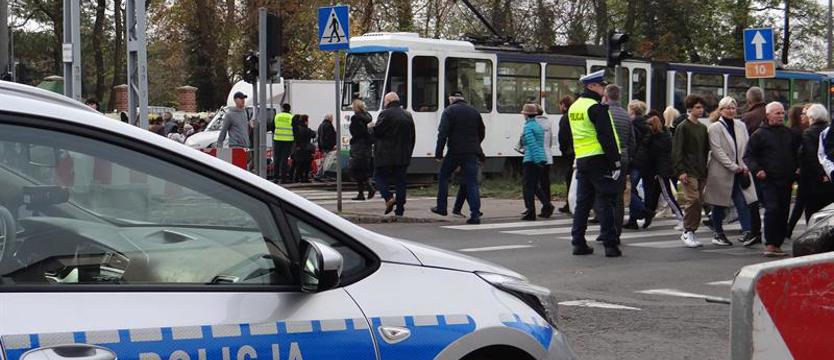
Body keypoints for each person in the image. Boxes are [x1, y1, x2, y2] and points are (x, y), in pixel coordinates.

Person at [568, 70, 623, 257]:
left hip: (582, 158)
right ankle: (610, 244)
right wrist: (615, 162)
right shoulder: (596, 108)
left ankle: (578, 242)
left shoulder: (574, 107)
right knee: (605, 202)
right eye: (601, 86)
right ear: (591, 86)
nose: (604, 90)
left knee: (583, 203)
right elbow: (606, 137)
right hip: (599, 159)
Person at [743, 102, 799, 256]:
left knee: (783, 211)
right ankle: (770, 244)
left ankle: (777, 244)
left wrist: (797, 167)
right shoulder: (759, 134)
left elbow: (796, 153)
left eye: (782, 113)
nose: (781, 116)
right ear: (768, 116)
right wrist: (757, 170)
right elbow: (748, 155)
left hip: (786, 180)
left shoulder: (789, 133)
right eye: (777, 113)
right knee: (772, 209)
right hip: (768, 180)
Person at [703, 96, 757, 247]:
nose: (731, 111)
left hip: (740, 170)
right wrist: (733, 166)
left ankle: (747, 231)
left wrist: (744, 165)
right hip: (721, 171)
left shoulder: (740, 125)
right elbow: (717, 151)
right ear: (721, 110)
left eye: (733, 108)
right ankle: (718, 233)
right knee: (719, 203)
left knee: (742, 201)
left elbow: (746, 145)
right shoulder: (715, 128)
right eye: (728, 108)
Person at [431, 90, 486, 224]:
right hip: (472, 152)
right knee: (471, 182)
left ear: (451, 99)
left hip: (455, 151)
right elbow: (482, 131)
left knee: (444, 176)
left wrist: (438, 153)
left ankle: (442, 207)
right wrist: (475, 144)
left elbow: (442, 133)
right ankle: (475, 215)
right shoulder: (474, 112)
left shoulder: (449, 111)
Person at [370, 92, 416, 217]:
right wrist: (409, 153)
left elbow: (378, 132)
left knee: (378, 177)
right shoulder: (407, 115)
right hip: (403, 155)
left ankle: (388, 197)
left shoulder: (386, 114)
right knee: (400, 182)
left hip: (385, 155)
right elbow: (412, 136)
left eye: (385, 101)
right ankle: (400, 210)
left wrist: (371, 127)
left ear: (389, 101)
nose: (384, 104)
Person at [673, 95, 709, 247]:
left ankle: (692, 231)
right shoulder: (683, 127)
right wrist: (681, 170)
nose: (700, 110)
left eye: (701, 107)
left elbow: (705, 149)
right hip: (688, 170)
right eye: (697, 107)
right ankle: (687, 230)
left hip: (701, 169)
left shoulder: (702, 127)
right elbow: (677, 150)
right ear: (690, 109)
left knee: (699, 201)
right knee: (692, 199)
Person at [642, 110, 684, 228]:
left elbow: (652, 155)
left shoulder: (654, 138)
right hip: (665, 168)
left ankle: (681, 219)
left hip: (661, 170)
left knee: (668, 195)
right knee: (655, 195)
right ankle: (648, 218)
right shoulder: (665, 135)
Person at [606, 85, 635, 238]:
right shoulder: (626, 115)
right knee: (618, 197)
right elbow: (632, 140)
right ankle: (617, 231)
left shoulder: (604, 112)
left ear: (606, 96)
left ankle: (606, 230)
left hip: (606, 159)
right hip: (623, 158)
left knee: (604, 196)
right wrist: (628, 157)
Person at [800, 104, 834, 223]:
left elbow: (812, 157)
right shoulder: (829, 130)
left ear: (812, 118)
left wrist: (821, 174)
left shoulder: (808, 133)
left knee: (812, 210)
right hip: (830, 176)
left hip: (814, 179)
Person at [624, 100, 650, 229]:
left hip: (635, 161)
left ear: (632, 111)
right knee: (632, 189)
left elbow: (632, 143)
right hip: (645, 161)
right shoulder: (646, 123)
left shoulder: (633, 124)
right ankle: (633, 220)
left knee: (629, 189)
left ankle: (643, 210)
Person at [786, 104, 811, 237]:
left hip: (797, 170)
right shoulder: (802, 132)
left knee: (801, 201)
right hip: (802, 170)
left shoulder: (792, 130)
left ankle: (789, 229)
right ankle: (790, 229)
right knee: (803, 201)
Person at [520, 103, 547, 221]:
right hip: (540, 157)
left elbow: (532, 144)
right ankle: (547, 205)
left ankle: (531, 212)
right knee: (535, 186)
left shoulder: (528, 127)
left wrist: (536, 160)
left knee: (528, 187)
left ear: (526, 115)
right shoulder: (538, 126)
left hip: (531, 159)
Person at [348, 99, 376, 200]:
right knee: (361, 169)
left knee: (355, 169)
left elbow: (356, 132)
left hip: (358, 146)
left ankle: (369, 187)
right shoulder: (368, 116)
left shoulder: (355, 118)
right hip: (367, 147)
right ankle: (361, 193)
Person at [534, 104, 555, 218]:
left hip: (537, 156)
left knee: (534, 183)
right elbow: (550, 140)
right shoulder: (548, 123)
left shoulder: (533, 124)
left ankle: (546, 206)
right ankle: (546, 207)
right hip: (547, 156)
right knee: (545, 183)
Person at [557, 96, 575, 214]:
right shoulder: (573, 116)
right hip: (576, 151)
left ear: (564, 105)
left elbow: (563, 136)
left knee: (570, 179)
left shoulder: (565, 118)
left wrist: (564, 150)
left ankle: (570, 204)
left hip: (569, 152)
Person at [273, 103, 294, 183]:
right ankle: (283, 178)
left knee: (277, 159)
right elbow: (295, 129)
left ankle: (275, 177)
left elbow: (272, 126)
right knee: (284, 160)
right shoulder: (291, 117)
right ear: (289, 109)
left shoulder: (277, 116)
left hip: (277, 140)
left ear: (282, 108)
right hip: (288, 141)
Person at [292, 115, 316, 183]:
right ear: (305, 121)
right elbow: (313, 134)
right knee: (306, 165)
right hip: (306, 149)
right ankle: (304, 178)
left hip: (297, 149)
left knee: (298, 164)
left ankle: (296, 178)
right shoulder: (307, 129)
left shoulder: (297, 129)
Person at [315, 113, 338, 181]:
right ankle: (319, 175)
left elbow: (319, 137)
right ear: (329, 118)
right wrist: (333, 145)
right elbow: (329, 137)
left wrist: (320, 147)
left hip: (323, 146)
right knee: (326, 161)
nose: (333, 119)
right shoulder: (328, 125)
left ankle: (321, 174)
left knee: (325, 161)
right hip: (328, 147)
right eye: (332, 118)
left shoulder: (321, 125)